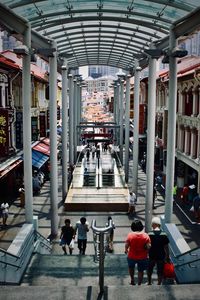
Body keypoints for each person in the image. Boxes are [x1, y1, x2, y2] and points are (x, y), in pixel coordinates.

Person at [125, 220, 151, 285]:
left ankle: (132, 280)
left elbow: (127, 245)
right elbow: (148, 246)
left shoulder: (130, 235)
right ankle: (139, 283)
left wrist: (126, 250)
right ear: (141, 227)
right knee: (140, 270)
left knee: (131, 268)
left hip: (131, 256)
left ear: (132, 227)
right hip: (142, 256)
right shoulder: (145, 235)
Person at [147, 216, 170, 285]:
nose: (151, 225)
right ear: (159, 224)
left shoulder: (149, 234)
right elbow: (166, 247)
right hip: (161, 255)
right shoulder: (164, 234)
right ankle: (159, 283)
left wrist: (146, 254)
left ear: (154, 224)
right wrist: (167, 257)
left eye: (152, 224)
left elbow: (148, 246)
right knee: (160, 271)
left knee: (149, 270)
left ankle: (149, 282)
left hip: (151, 255)